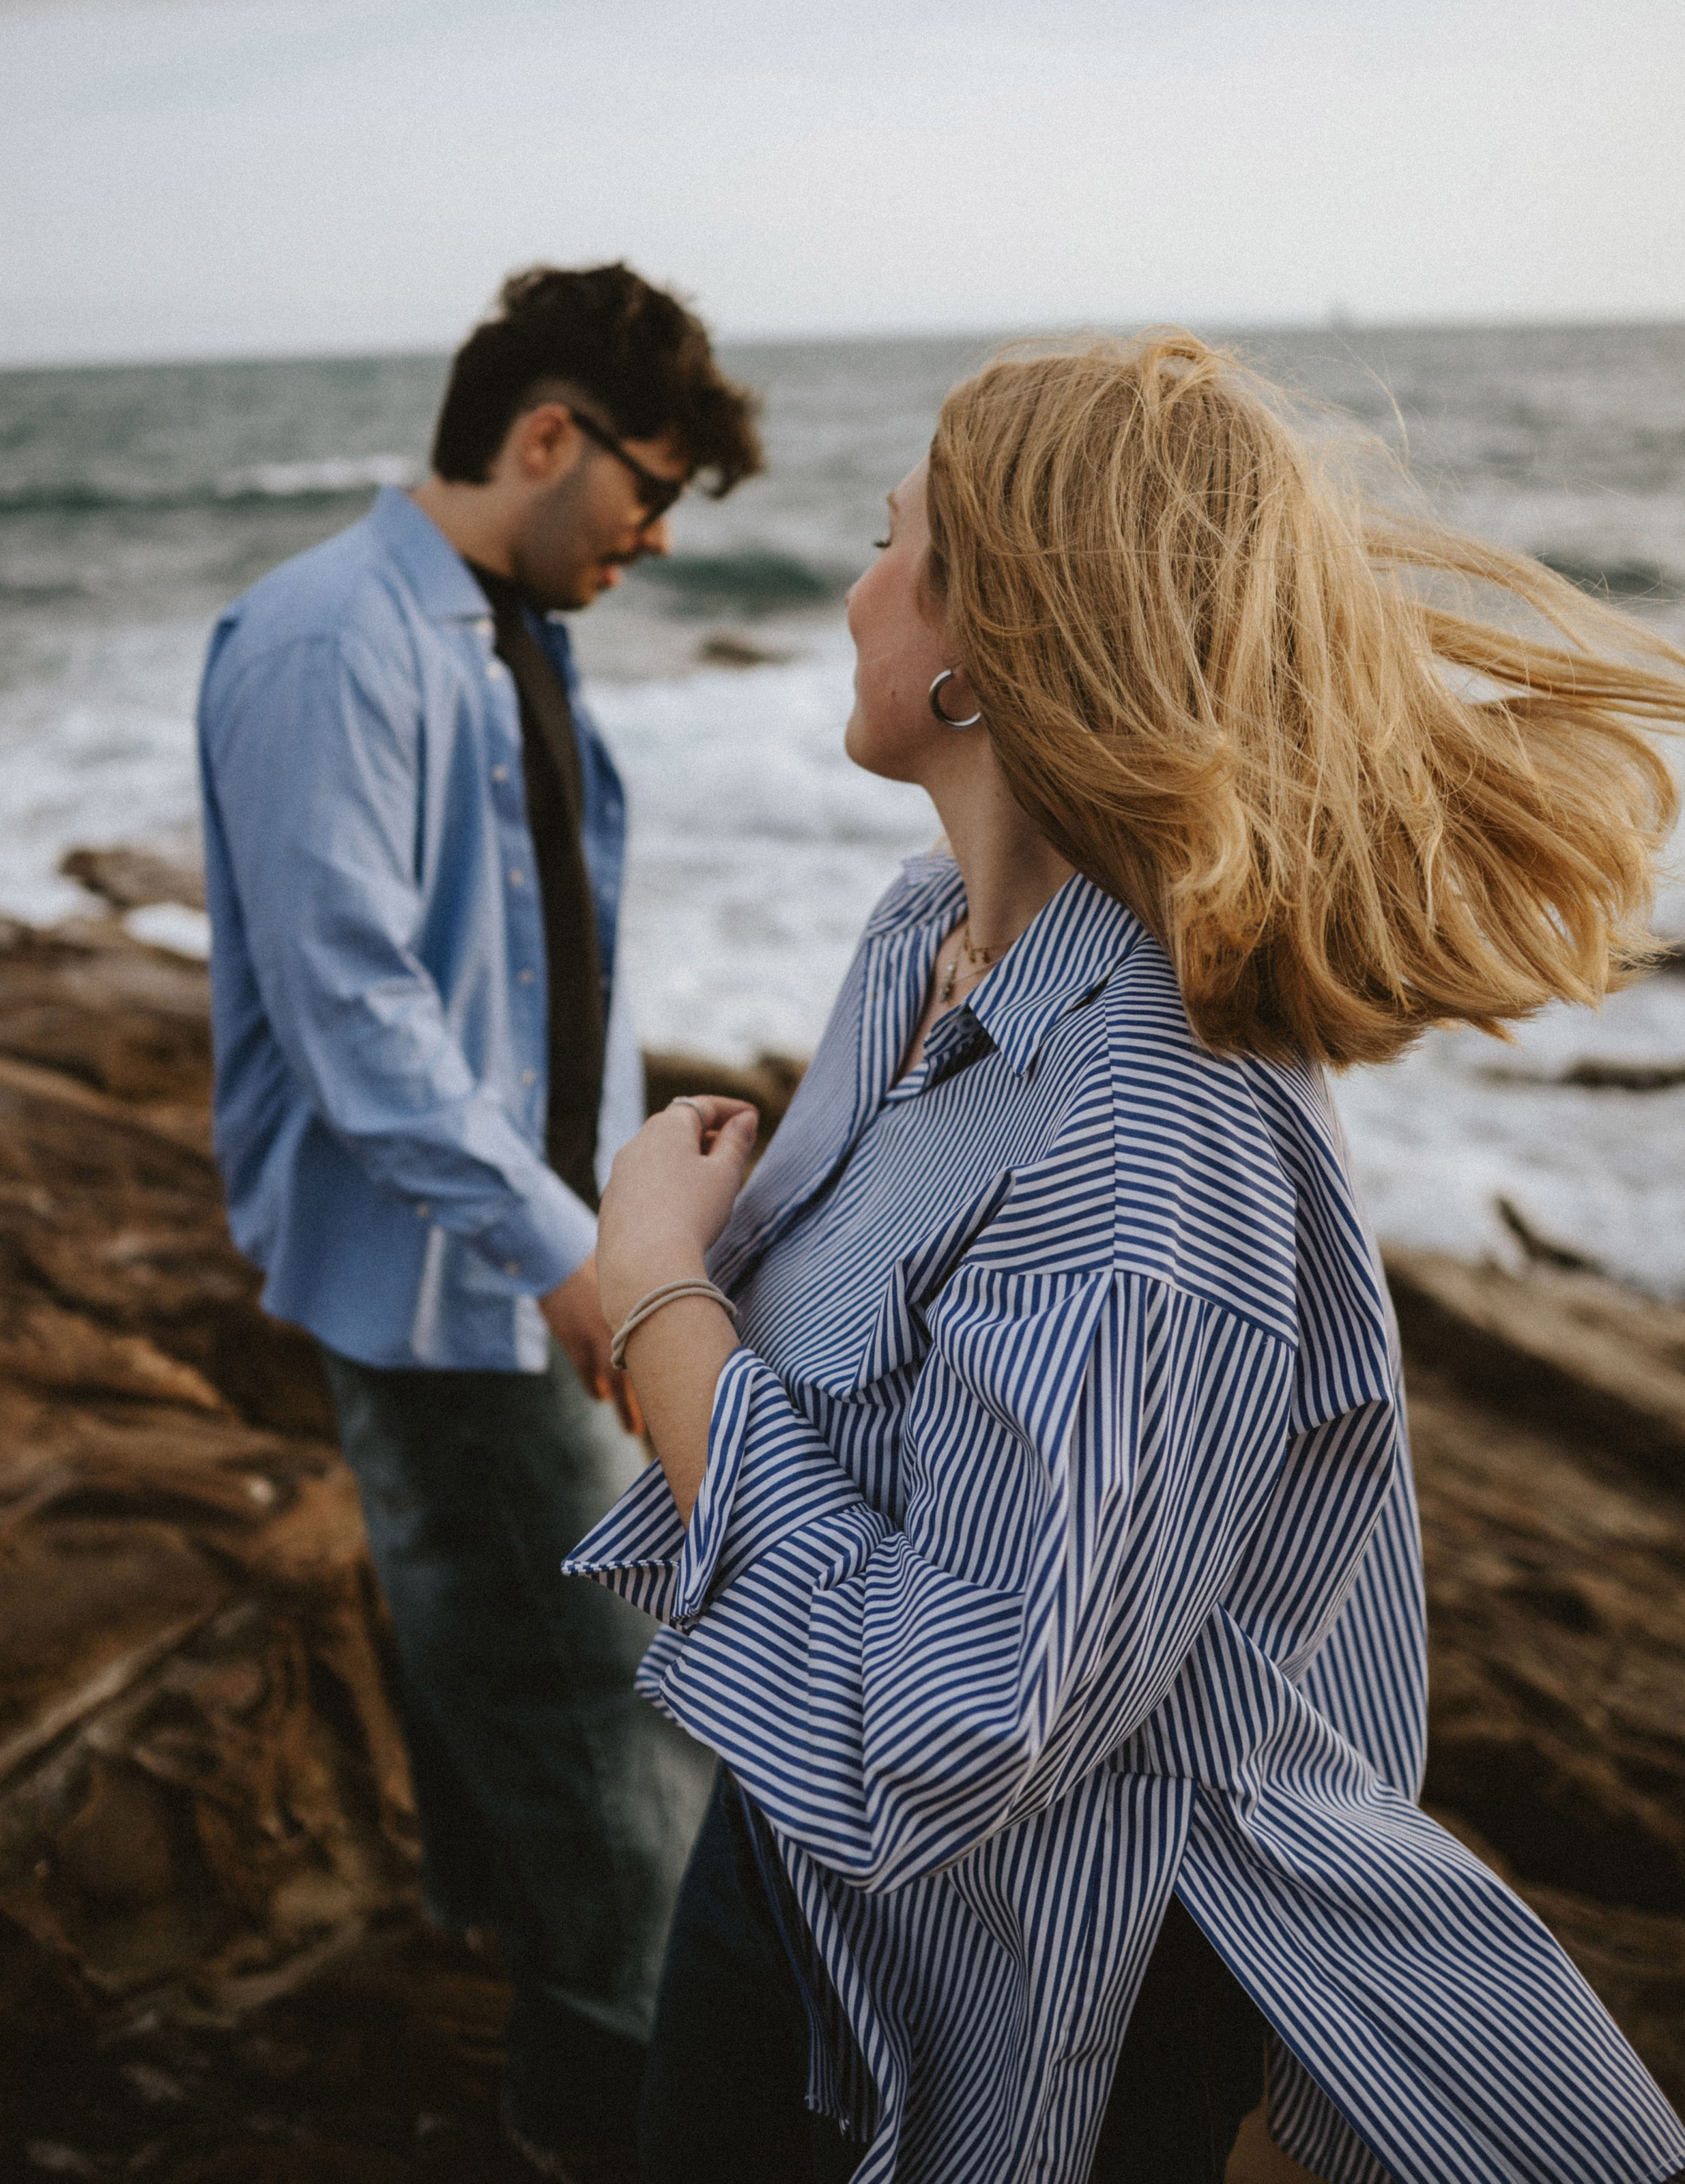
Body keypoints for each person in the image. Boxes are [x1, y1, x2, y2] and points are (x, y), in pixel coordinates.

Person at [567, 333, 1685, 2183]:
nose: (850, 590)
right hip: (804, 1867)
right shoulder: (927, 935)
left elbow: (943, 1719)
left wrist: (655, 1289)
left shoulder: (1156, 1131)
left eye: (889, 542)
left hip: (1025, 1981)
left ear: (989, 642)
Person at [196, 263, 762, 2182]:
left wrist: (627, 1210)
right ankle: (600, 2114)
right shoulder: (329, 640)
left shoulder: (502, 628)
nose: (658, 537)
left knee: (532, 1679)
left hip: (522, 1257)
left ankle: (536, 2013)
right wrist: (575, 1257)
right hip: (452, 1286)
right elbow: (356, 1014)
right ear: (545, 435)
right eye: (648, 489)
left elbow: (539, 971)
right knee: (605, 1722)